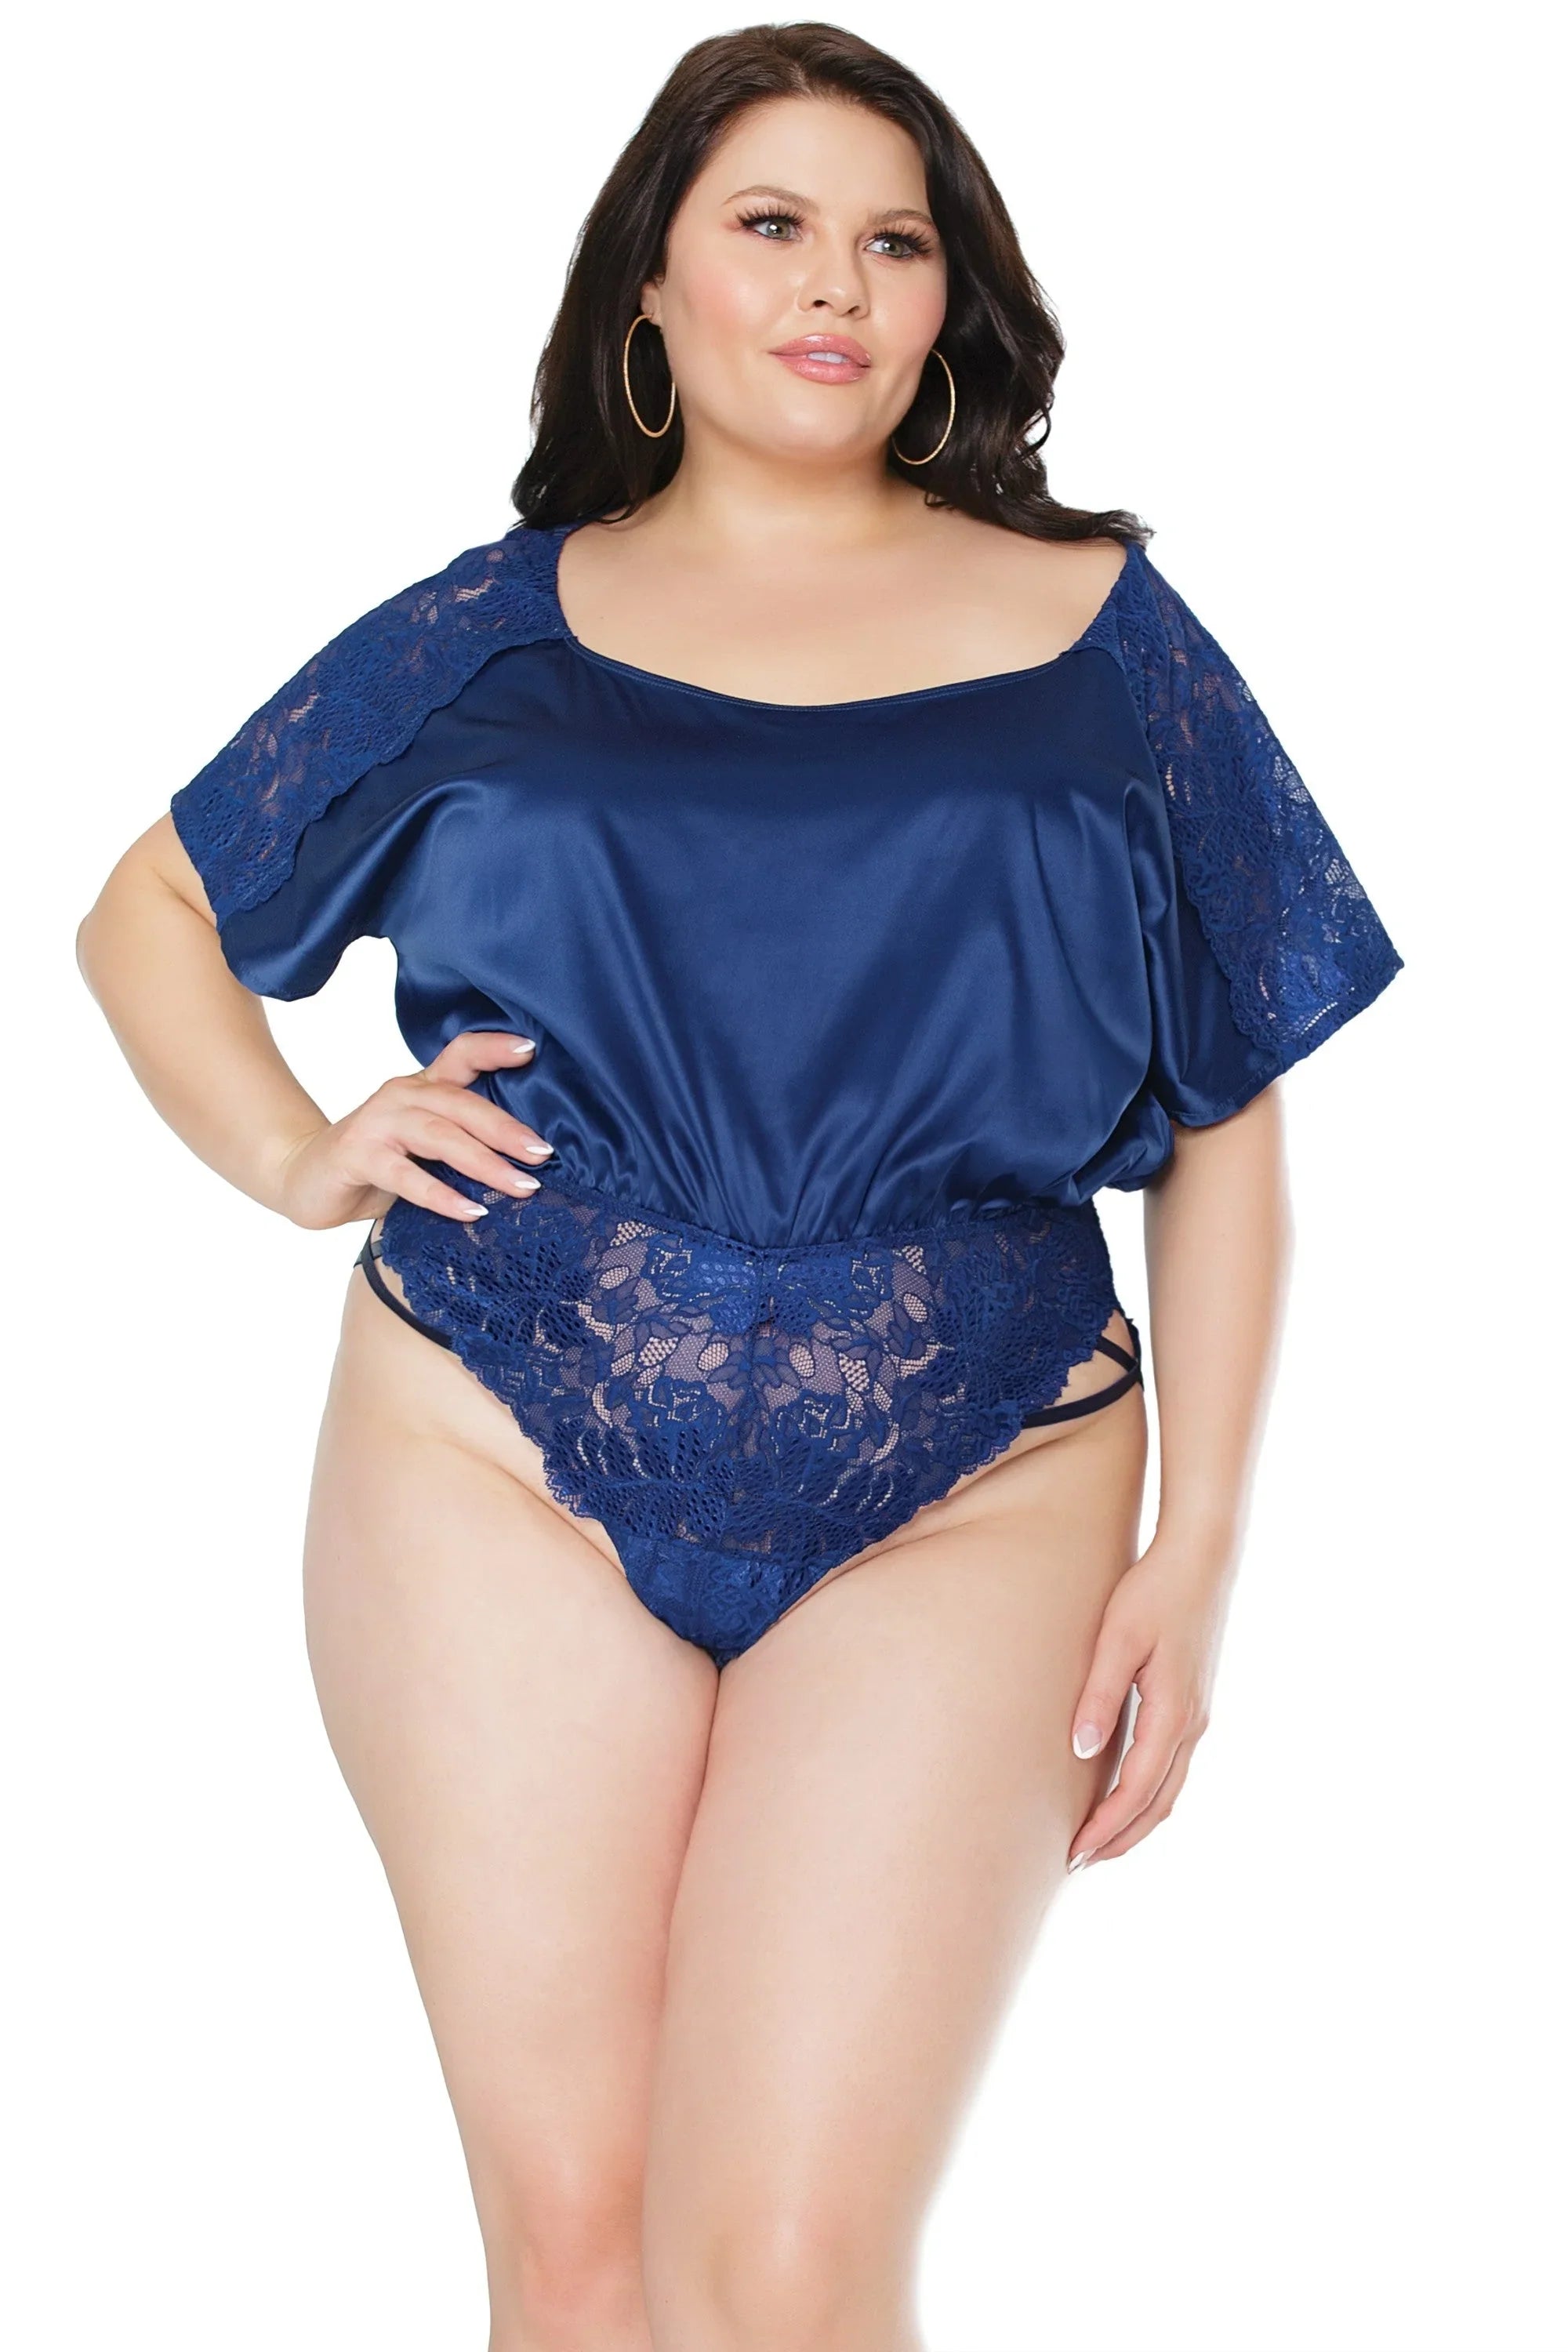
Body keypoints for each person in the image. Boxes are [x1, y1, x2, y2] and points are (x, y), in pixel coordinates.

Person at [76, 23, 1402, 2351]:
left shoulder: (1112, 638)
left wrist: (1199, 1548)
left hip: (977, 1466)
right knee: (580, 2255)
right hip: (496, 1446)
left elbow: (1229, 1105)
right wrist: (300, 1152)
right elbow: (150, 913)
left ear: (952, 301)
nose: (838, 284)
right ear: (653, 290)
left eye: (897, 240)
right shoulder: (494, 627)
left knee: (781, 2269)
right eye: (771, 225)